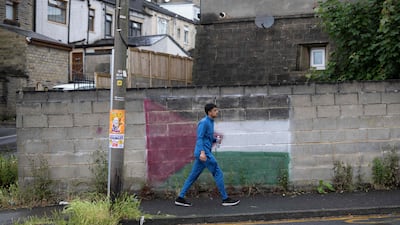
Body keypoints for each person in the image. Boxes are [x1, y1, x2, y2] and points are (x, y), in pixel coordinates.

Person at [174, 103, 240, 207]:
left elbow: (207, 137)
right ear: (209, 112)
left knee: (193, 176)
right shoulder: (204, 122)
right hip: (204, 153)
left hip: (203, 153)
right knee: (218, 173)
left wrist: (216, 139)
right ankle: (225, 199)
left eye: (217, 110)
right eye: (215, 110)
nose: (217, 112)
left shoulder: (210, 122)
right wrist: (202, 153)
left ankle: (180, 198)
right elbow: (199, 138)